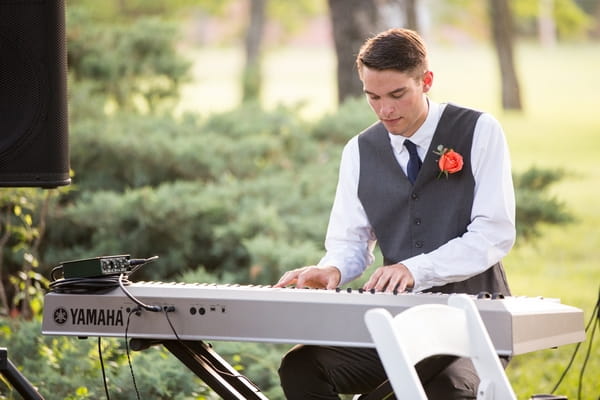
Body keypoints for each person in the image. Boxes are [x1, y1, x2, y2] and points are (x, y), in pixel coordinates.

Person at [274, 28, 516, 399]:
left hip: (476, 325)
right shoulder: (359, 150)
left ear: (426, 81)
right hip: (399, 324)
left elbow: (493, 234)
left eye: (397, 94)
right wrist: (333, 268)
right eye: (373, 97)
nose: (385, 109)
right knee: (302, 366)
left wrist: (412, 269)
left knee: (442, 388)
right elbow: (351, 240)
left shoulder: (479, 130)